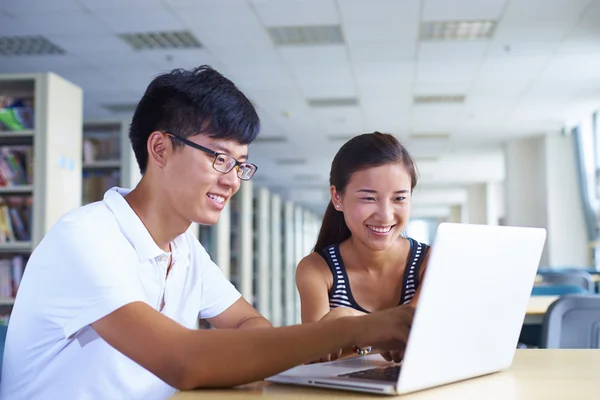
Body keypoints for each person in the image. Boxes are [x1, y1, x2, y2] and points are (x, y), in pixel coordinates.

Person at [0, 67, 415, 400]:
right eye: (219, 159)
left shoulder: (185, 249)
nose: (232, 180)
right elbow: (182, 360)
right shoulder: (87, 236)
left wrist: (309, 338)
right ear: (160, 149)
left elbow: (247, 322)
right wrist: (349, 329)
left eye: (240, 165)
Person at [296, 132, 431, 363]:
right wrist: (382, 335)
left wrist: (347, 318)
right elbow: (317, 354)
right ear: (337, 197)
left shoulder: (431, 262)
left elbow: (418, 339)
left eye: (399, 198)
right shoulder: (317, 269)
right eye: (369, 198)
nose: (385, 215)